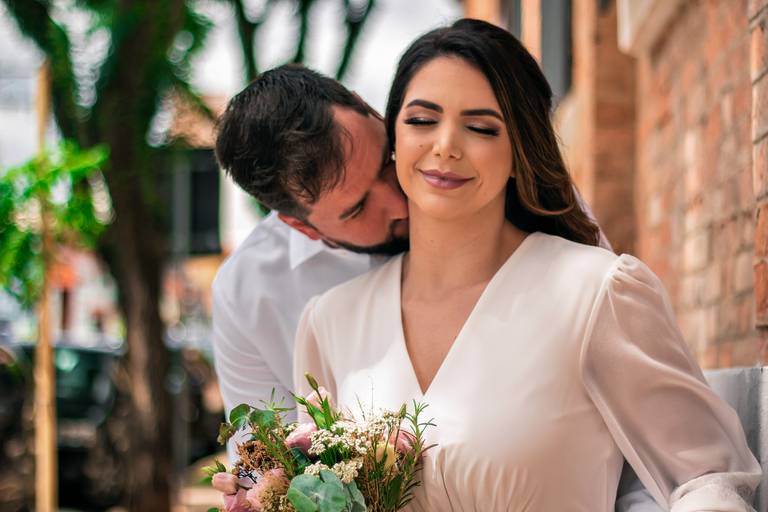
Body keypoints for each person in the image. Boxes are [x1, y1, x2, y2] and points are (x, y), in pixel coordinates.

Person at [292, 19, 762, 511]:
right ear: (394, 139)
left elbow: (708, 478)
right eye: (422, 120)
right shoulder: (331, 323)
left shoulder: (595, 293)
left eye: (481, 128)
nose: (446, 145)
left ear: (519, 151)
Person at [212, 65, 657, 511]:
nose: (399, 200)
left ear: (372, 112)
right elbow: (270, 472)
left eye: (385, 161)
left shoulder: (500, 187)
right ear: (303, 227)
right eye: (359, 208)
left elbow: (644, 451)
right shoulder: (250, 297)